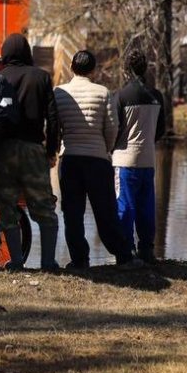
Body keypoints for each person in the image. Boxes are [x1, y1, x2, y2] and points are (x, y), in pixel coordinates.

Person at [54, 49, 138, 269]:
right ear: (93, 70)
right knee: (105, 211)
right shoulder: (103, 93)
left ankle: (80, 259)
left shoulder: (59, 93)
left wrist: (58, 147)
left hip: (70, 158)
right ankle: (123, 255)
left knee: (72, 213)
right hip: (97, 160)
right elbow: (112, 127)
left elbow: (54, 127)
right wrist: (105, 149)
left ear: (71, 67)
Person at [0, 34, 61, 271]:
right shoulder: (41, 77)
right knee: (44, 206)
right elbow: (53, 118)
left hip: (4, 151)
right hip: (33, 149)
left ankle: (17, 261)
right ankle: (48, 262)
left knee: (7, 206)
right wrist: (51, 150)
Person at [113, 48, 167, 263]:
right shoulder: (156, 96)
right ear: (145, 69)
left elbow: (115, 129)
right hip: (148, 159)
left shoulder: (121, 96)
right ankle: (147, 249)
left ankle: (126, 251)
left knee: (125, 206)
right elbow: (161, 130)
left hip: (125, 159)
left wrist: (113, 147)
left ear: (126, 70)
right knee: (146, 207)